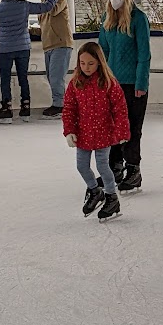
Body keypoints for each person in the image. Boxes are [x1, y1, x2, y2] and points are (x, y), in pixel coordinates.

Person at [98, 0, 151, 193]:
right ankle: (114, 167)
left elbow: (144, 54)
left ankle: (133, 169)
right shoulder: (107, 18)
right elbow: (102, 50)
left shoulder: (139, 19)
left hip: (133, 85)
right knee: (112, 127)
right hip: (112, 84)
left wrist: (141, 83)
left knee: (131, 128)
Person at [63, 42, 130, 221]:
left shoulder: (108, 83)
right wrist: (69, 131)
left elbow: (119, 108)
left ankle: (111, 197)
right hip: (83, 133)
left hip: (103, 132)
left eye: (91, 63)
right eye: (82, 63)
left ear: (99, 62)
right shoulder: (75, 83)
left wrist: (122, 130)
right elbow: (69, 108)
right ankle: (95, 190)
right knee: (81, 166)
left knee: (102, 166)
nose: (86, 67)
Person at [0, 0, 66, 124]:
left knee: (5, 78)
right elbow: (46, 7)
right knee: (23, 78)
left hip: (5, 48)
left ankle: (6, 109)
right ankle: (25, 107)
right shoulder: (24, 5)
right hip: (23, 47)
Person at [30, 0, 73, 119]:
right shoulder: (42, 8)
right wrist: (28, 31)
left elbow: (52, 10)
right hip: (48, 45)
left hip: (61, 43)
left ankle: (60, 105)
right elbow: (44, 27)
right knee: (51, 77)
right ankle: (60, 103)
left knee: (56, 77)